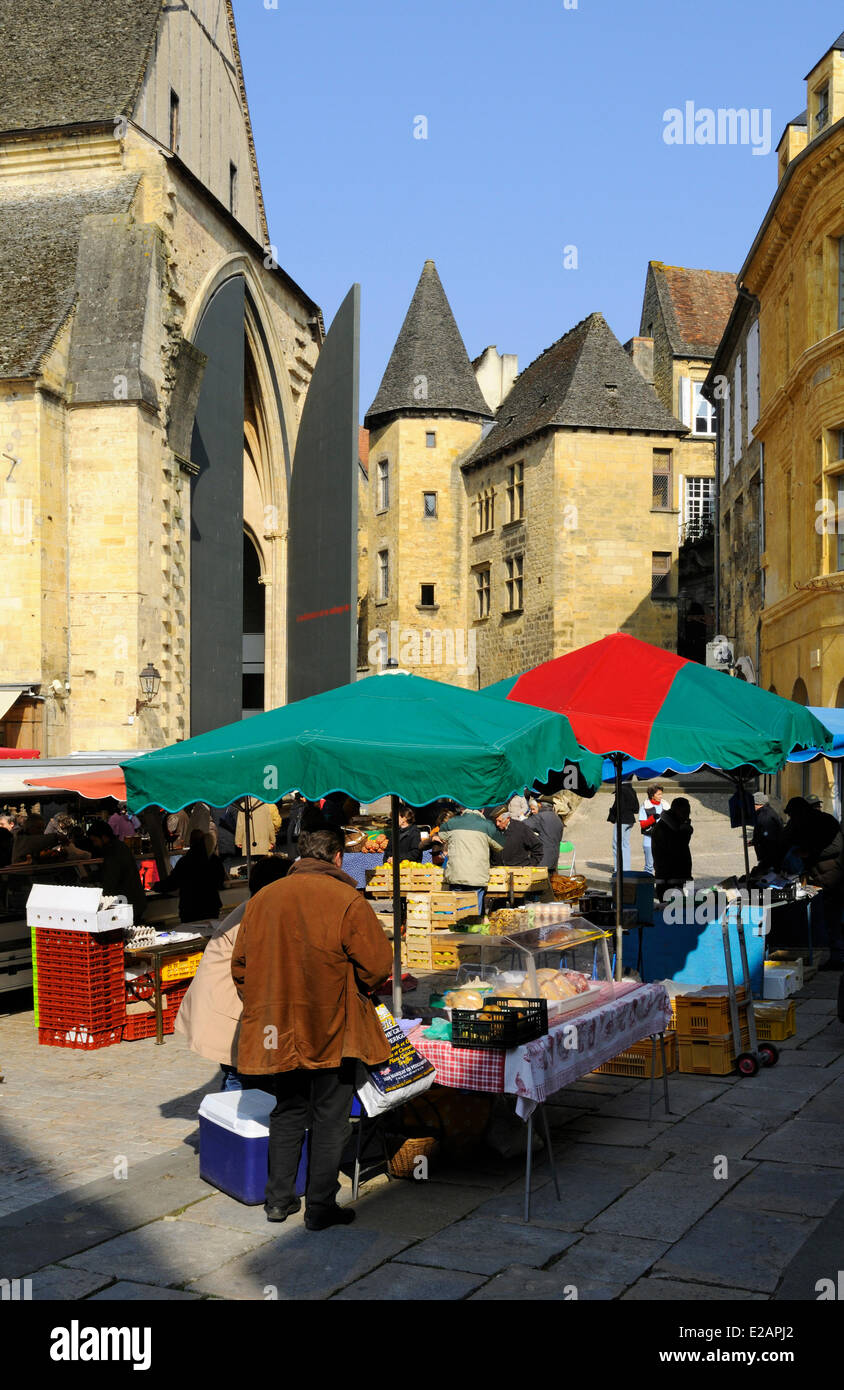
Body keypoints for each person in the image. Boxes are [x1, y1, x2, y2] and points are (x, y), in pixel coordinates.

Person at [231, 827, 393, 1230]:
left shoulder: (263, 899)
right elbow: (376, 967)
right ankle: (320, 1207)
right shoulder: (348, 900)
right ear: (337, 858)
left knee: (287, 1110)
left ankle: (278, 1201)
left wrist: (265, 1005)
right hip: (332, 1026)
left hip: (278, 1026)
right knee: (329, 1118)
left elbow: (240, 968)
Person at [175, 856, 290, 1090]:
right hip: (227, 1008)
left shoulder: (258, 907)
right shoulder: (259, 913)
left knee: (242, 1075)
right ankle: (231, 1125)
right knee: (241, 1077)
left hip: (229, 1007)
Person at [780, 797, 844, 970]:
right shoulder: (799, 823)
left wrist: (809, 853)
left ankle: (838, 958)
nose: (792, 819)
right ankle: (837, 956)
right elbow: (784, 842)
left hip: (834, 876)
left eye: (794, 815)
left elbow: (837, 847)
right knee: (831, 918)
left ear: (803, 812)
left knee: (834, 918)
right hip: (820, 876)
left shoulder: (825, 821)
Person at [156, 830, 225, 924]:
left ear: (191, 842)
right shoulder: (214, 860)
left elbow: (172, 883)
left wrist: (156, 886)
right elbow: (220, 882)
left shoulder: (185, 861)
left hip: (190, 908)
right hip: (211, 906)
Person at [87, 820, 147, 922]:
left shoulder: (113, 852)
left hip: (127, 904)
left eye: (95, 841)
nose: (95, 844)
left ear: (104, 837)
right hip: (134, 902)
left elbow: (111, 880)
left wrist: (103, 903)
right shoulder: (119, 846)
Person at [437, 807, 504, 896]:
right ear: (482, 810)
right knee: (474, 908)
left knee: (457, 908)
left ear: (463, 809)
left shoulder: (452, 822)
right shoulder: (487, 825)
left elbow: (441, 835)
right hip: (476, 877)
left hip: (456, 875)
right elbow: (500, 845)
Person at [651, 796, 694, 900]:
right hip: (669, 880)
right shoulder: (664, 828)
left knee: (687, 909)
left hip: (679, 877)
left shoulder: (675, 826)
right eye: (685, 812)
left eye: (688, 812)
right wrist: (686, 832)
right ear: (676, 810)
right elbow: (676, 850)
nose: (687, 816)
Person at [638, 784, 670, 876]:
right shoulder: (645, 806)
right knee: (649, 867)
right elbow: (643, 825)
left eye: (661, 794)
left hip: (663, 840)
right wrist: (652, 819)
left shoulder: (666, 805)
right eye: (659, 794)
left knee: (662, 866)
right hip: (649, 840)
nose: (661, 796)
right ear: (652, 795)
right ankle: (647, 888)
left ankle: (661, 888)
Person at [608, 782, 639, 873]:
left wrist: (612, 812)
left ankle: (618, 869)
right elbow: (636, 808)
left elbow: (618, 807)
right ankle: (626, 868)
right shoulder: (632, 790)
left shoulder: (621, 790)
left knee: (616, 844)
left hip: (622, 820)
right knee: (625, 844)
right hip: (630, 819)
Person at [527, 796, 564, 869]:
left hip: (542, 859)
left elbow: (523, 825)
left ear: (540, 805)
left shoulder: (540, 817)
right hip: (554, 859)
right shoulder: (557, 818)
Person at [751, 791, 783, 873]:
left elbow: (769, 838)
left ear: (757, 804)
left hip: (770, 857)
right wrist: (754, 841)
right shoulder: (765, 812)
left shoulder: (765, 816)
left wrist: (757, 841)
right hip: (770, 856)